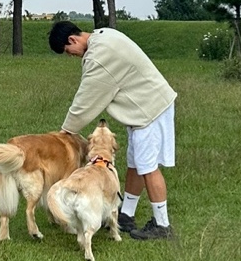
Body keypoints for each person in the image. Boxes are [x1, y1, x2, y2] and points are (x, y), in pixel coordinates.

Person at [48, 20, 177, 240]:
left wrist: (66, 131)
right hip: (147, 107)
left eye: (68, 51)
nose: (71, 56)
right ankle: (126, 215)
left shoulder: (99, 57)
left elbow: (86, 98)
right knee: (136, 163)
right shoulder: (104, 35)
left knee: (148, 167)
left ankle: (162, 225)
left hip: (149, 109)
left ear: (72, 39)